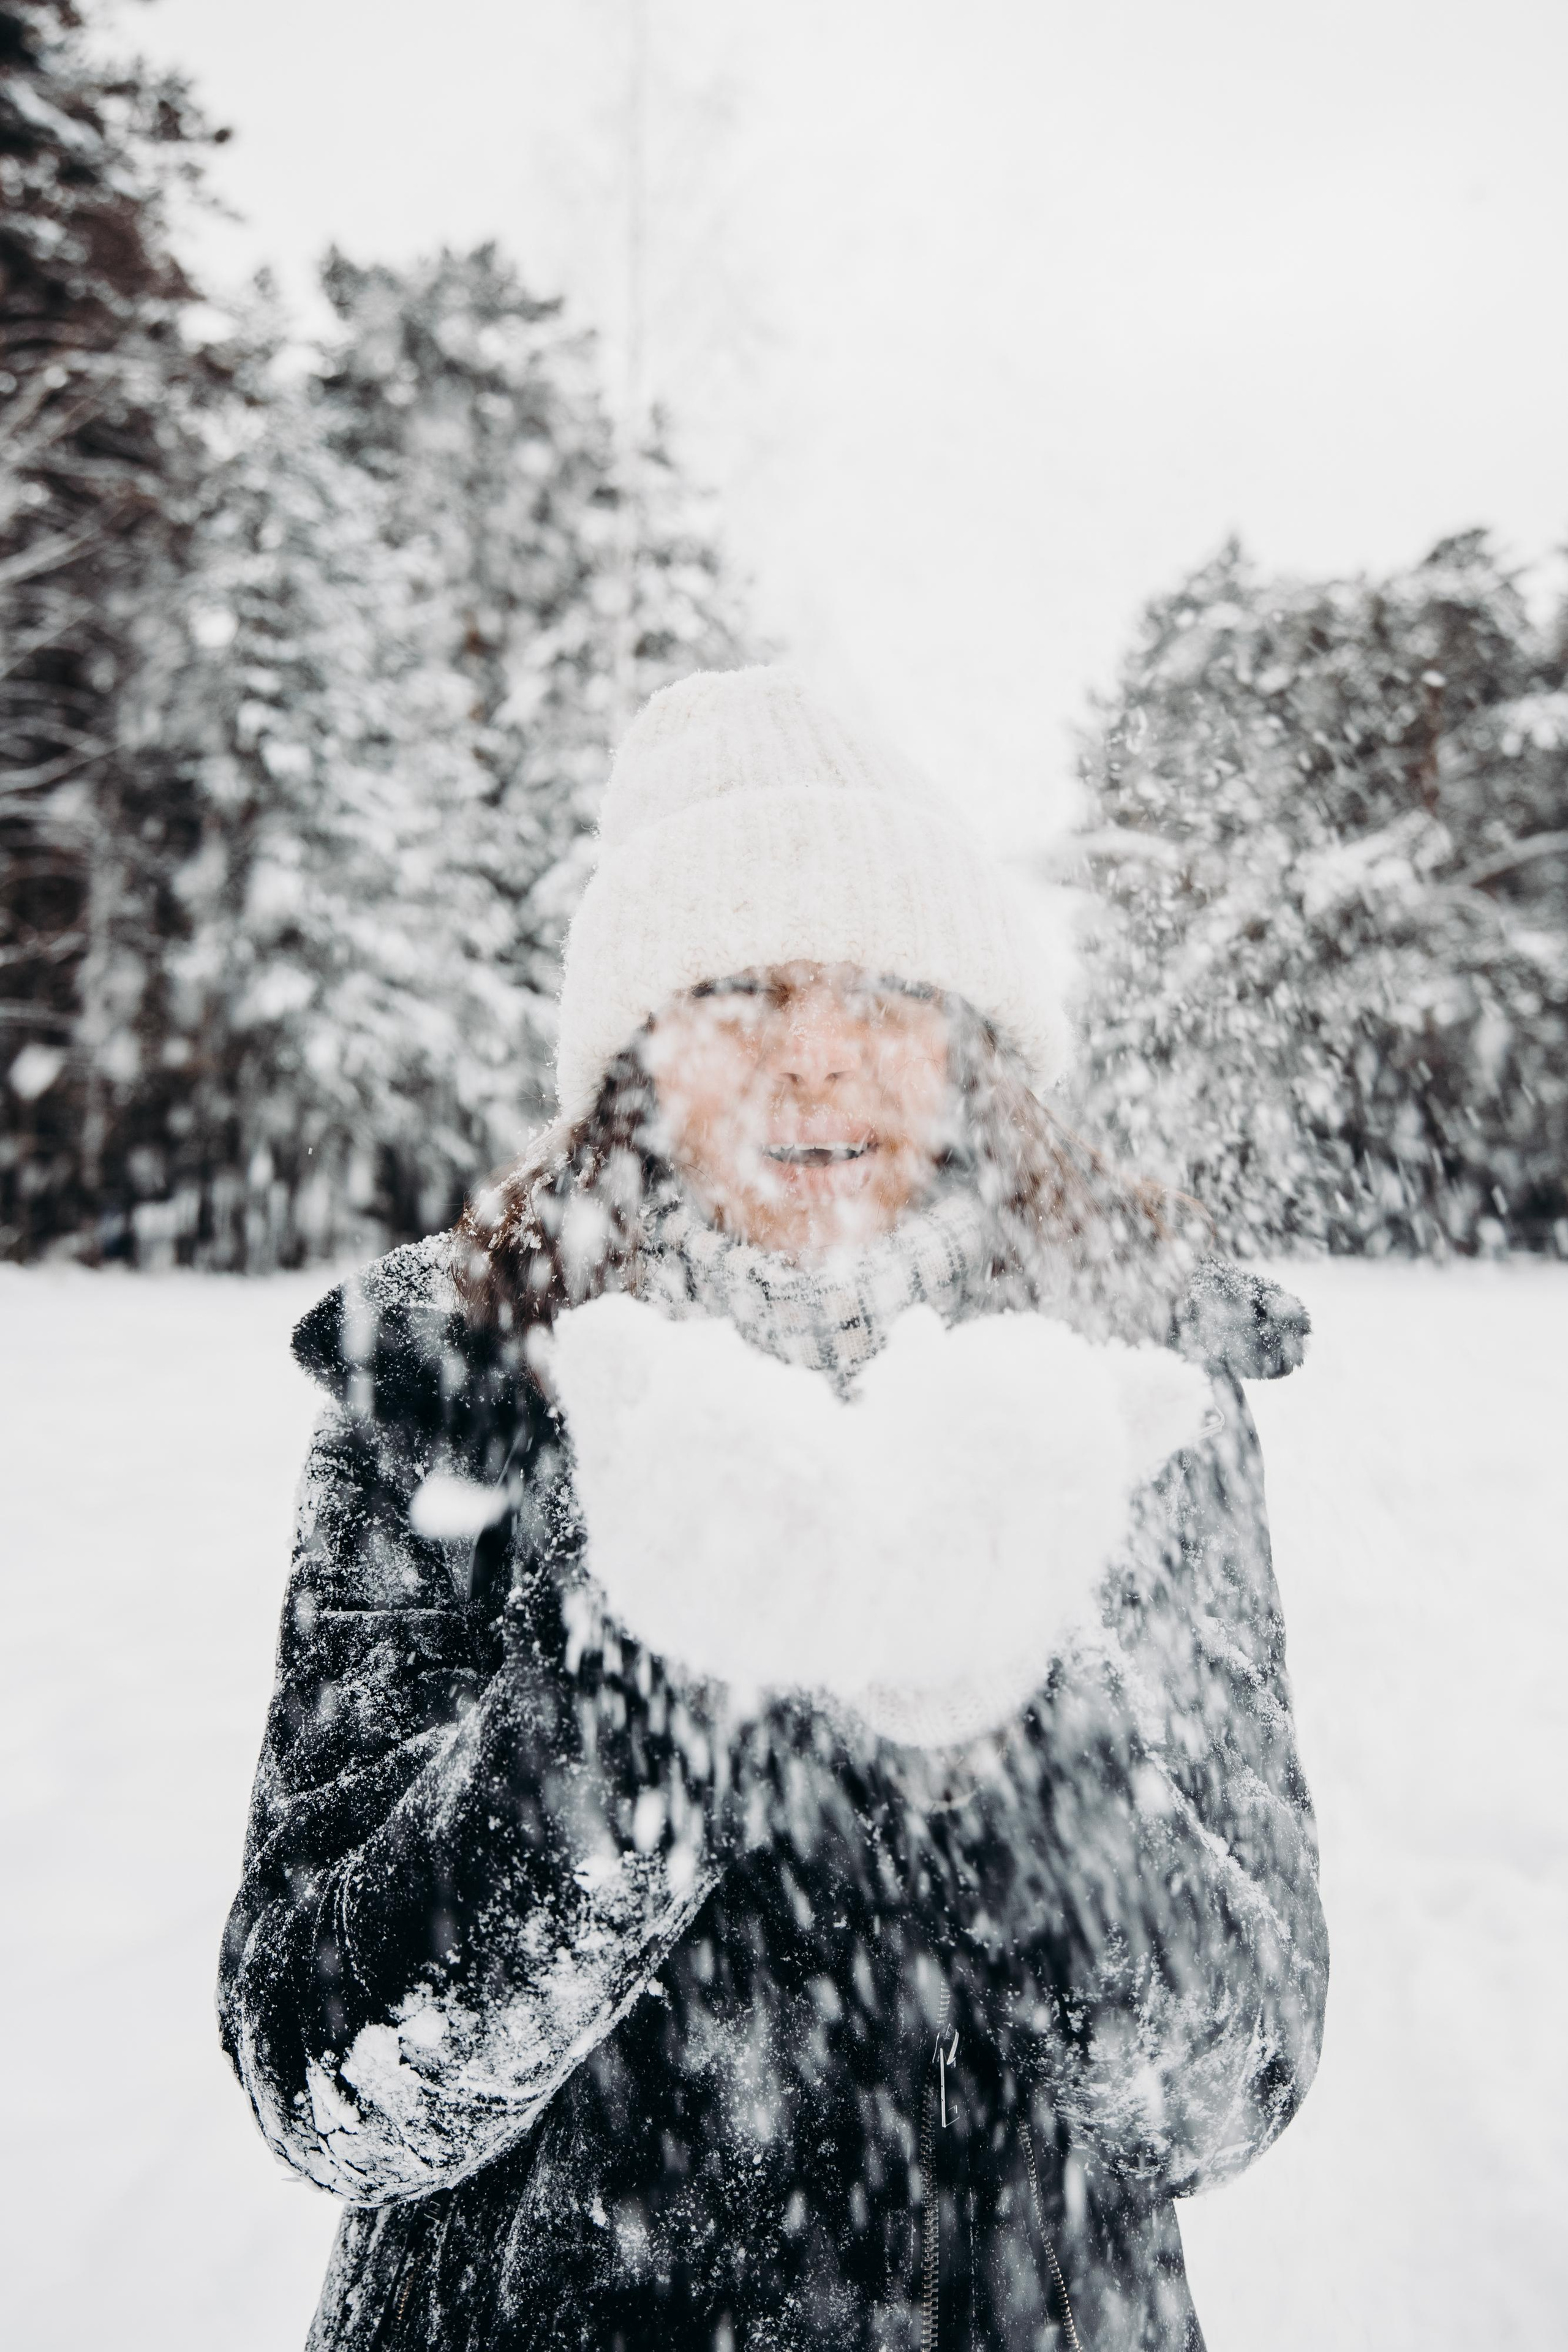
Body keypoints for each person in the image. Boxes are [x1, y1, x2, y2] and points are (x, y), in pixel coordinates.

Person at [219, 667, 1327, 2351]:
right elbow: (334, 2086)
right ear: (639, 1056)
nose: (814, 1058)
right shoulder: (460, 1384)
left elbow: (1226, 2082)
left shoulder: (1128, 1395)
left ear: (973, 1040)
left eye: (884, 993)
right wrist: (643, 1698)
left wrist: (1002, 1731)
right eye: (737, 993)